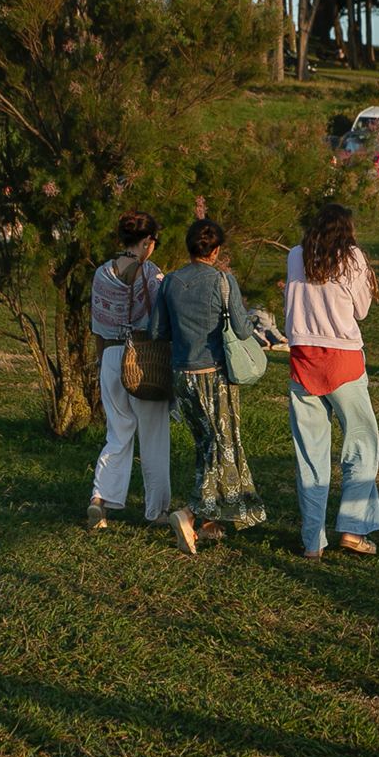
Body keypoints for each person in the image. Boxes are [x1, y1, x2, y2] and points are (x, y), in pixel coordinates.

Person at [150, 219, 267, 553]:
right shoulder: (222, 280)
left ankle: (209, 522)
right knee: (222, 445)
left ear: (190, 247)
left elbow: (158, 330)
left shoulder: (170, 281)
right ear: (215, 250)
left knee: (205, 445)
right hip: (213, 375)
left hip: (181, 376)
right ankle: (190, 512)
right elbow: (243, 331)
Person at [283, 204, 379, 560]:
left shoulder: (296, 255)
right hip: (343, 360)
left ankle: (313, 541)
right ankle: (354, 530)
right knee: (361, 445)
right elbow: (362, 310)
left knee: (310, 455)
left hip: (303, 359)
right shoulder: (352, 257)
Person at [85, 211, 170, 530]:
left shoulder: (101, 274)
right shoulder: (152, 274)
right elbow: (161, 322)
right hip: (144, 359)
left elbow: (97, 326)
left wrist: (100, 363)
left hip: (110, 356)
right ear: (147, 242)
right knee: (154, 438)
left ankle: (100, 499)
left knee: (117, 434)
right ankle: (157, 510)